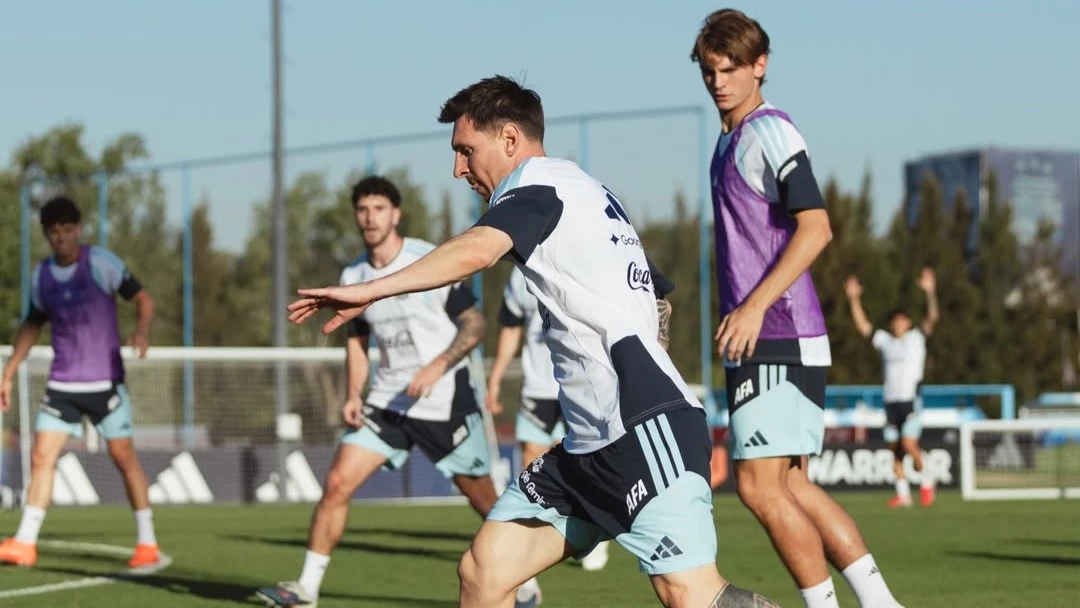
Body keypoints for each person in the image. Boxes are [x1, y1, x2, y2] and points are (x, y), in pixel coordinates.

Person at [287, 76, 779, 608]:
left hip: (641, 431)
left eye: (465, 150)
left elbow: (477, 251)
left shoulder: (537, 188)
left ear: (510, 139)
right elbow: (659, 297)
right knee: (484, 572)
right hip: (585, 449)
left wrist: (370, 290)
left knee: (693, 596)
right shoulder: (583, 191)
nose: (458, 169)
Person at [693, 9, 904, 608]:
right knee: (789, 484)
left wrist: (754, 308)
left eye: (732, 68)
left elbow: (817, 227)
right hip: (772, 334)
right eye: (710, 71)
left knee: (759, 488)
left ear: (760, 66)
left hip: (777, 331)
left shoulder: (770, 132)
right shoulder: (729, 139)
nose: (719, 81)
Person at [256, 176, 542, 608]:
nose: (370, 217)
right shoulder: (353, 275)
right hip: (388, 401)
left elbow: (474, 325)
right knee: (337, 483)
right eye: (362, 209)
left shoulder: (427, 259)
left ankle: (527, 579)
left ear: (396, 215)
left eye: (379, 208)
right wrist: (353, 394)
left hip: (444, 402)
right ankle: (306, 589)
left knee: (485, 501)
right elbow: (357, 341)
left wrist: (437, 365)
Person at [0, 195, 160, 569]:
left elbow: (143, 299)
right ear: (46, 234)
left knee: (124, 457)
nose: (61, 238)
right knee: (41, 456)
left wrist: (141, 330)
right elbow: (33, 324)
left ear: (79, 229)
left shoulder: (102, 263)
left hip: (105, 384)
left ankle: (147, 542)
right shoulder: (41, 276)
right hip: (63, 385)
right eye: (53, 231)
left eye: (67, 229)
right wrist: (8, 373)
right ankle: (25, 542)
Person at [485, 262, 675, 574]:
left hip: (582, 385)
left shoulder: (583, 259)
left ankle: (593, 524)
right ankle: (539, 533)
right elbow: (510, 327)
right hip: (537, 385)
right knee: (532, 454)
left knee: (583, 457)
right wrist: (495, 378)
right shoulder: (519, 274)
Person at [845, 268, 939, 508]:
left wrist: (930, 292)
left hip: (910, 400)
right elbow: (863, 326)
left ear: (908, 322)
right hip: (890, 401)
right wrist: (854, 299)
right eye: (894, 320)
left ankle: (927, 480)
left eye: (901, 320)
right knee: (894, 448)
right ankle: (903, 493)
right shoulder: (885, 341)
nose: (898, 324)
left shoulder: (916, 338)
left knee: (909, 444)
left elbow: (932, 318)